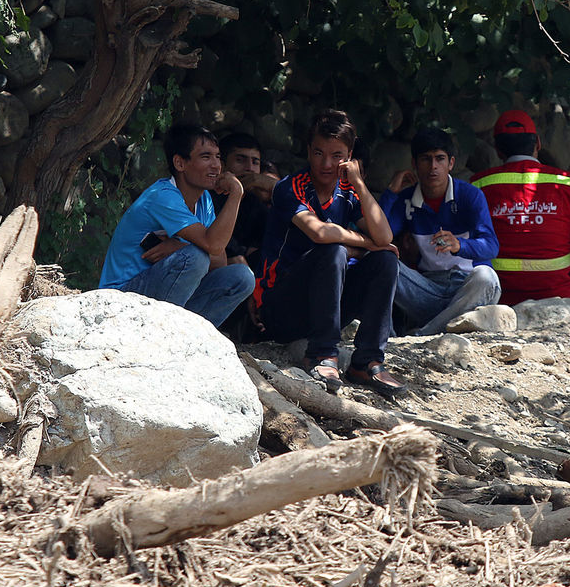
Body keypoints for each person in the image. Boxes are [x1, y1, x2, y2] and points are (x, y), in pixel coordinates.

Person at [253, 109, 407, 397]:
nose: (326, 163)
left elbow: (385, 238)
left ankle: (367, 361)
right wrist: (365, 243)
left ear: (349, 156)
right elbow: (321, 233)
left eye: (336, 155)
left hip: (326, 306)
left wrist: (359, 183)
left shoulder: (349, 189)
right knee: (334, 251)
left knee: (385, 260)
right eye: (318, 153)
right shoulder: (290, 188)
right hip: (281, 310)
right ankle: (323, 354)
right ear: (308, 151)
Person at [99, 124, 255, 326]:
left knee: (242, 277)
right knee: (195, 257)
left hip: (163, 294)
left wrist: (180, 247)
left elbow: (220, 260)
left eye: (218, 157)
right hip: (120, 298)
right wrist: (236, 193)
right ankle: (162, 335)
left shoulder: (204, 199)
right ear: (180, 163)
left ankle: (189, 338)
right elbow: (213, 248)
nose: (217, 166)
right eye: (206, 157)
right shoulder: (163, 196)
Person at [470, 110, 570, 304]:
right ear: (538, 143)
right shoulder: (568, 184)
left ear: (497, 150)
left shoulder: (478, 186)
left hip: (498, 298)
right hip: (559, 296)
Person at [380, 127, 500, 335]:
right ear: (414, 164)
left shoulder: (470, 195)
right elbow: (381, 236)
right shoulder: (406, 199)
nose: (433, 167)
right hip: (427, 290)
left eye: (440, 159)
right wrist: (390, 193)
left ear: (451, 163)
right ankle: (387, 338)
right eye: (426, 159)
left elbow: (491, 246)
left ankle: (424, 334)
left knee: (487, 277)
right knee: (381, 259)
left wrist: (459, 245)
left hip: (467, 288)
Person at [215, 133, 278, 265]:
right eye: (240, 160)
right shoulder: (207, 199)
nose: (249, 168)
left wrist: (275, 187)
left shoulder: (254, 202)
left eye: (255, 162)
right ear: (222, 165)